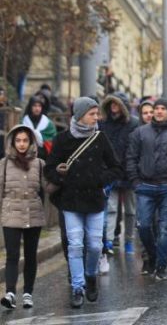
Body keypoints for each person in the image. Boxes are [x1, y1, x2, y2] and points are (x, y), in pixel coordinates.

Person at [44, 98, 122, 308]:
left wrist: (100, 180)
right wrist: (62, 177)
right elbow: (49, 168)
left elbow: (116, 167)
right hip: (70, 200)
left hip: (95, 199)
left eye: (97, 114)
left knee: (95, 246)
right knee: (75, 244)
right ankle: (77, 287)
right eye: (92, 114)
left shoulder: (100, 138)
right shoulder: (62, 139)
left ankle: (90, 275)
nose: (97, 118)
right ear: (79, 115)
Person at [126, 98, 167, 281]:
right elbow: (131, 158)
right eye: (157, 108)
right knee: (143, 226)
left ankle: (162, 266)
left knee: (165, 229)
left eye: (163, 108)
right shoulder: (139, 133)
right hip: (145, 186)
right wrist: (135, 182)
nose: (159, 111)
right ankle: (154, 255)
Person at [0, 125, 47, 309]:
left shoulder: (39, 164)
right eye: (18, 140)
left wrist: (60, 176)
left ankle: (28, 293)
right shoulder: (4, 164)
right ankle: (10, 293)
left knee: (30, 255)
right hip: (11, 213)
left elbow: (47, 188)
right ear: (12, 142)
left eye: (25, 140)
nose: (21, 144)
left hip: (34, 214)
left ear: (31, 142)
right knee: (12, 255)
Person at [99, 94, 140, 256]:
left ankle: (129, 240)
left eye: (116, 104)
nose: (113, 107)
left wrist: (133, 170)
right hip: (111, 172)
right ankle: (109, 241)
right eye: (111, 104)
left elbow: (135, 149)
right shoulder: (103, 124)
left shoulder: (134, 123)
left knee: (130, 211)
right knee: (111, 209)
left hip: (130, 172)